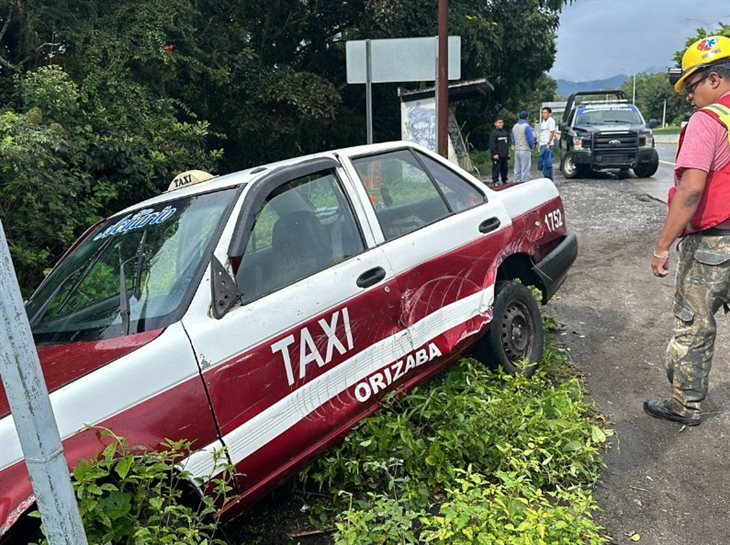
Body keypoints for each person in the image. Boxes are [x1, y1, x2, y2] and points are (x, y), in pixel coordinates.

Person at [645, 35, 730, 426]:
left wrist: (663, 246)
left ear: (714, 79)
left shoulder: (708, 119)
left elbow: (692, 189)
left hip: (715, 242)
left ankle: (685, 405)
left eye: (692, 85)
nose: (689, 96)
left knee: (694, 325)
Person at [511, 110, 535, 183]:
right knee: (525, 169)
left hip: (517, 150)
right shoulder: (526, 126)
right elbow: (530, 139)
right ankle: (524, 183)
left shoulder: (514, 127)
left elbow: (513, 140)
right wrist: (532, 146)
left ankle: (516, 182)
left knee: (517, 168)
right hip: (525, 149)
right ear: (526, 117)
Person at [488, 117, 509, 184]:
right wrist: (494, 153)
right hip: (497, 155)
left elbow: (506, 143)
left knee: (504, 168)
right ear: (495, 124)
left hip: (504, 154)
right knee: (496, 169)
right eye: (499, 122)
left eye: (502, 122)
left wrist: (507, 153)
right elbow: (492, 144)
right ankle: (495, 181)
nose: (501, 124)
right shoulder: (493, 133)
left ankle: (504, 180)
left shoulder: (504, 132)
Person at [537, 107, 556, 179]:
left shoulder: (551, 121)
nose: (543, 114)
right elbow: (542, 133)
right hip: (542, 144)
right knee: (542, 161)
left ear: (549, 114)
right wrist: (539, 144)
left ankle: (549, 179)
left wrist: (548, 143)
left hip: (548, 144)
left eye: (545, 113)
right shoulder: (543, 121)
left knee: (548, 163)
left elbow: (552, 132)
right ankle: (545, 177)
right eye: (542, 113)